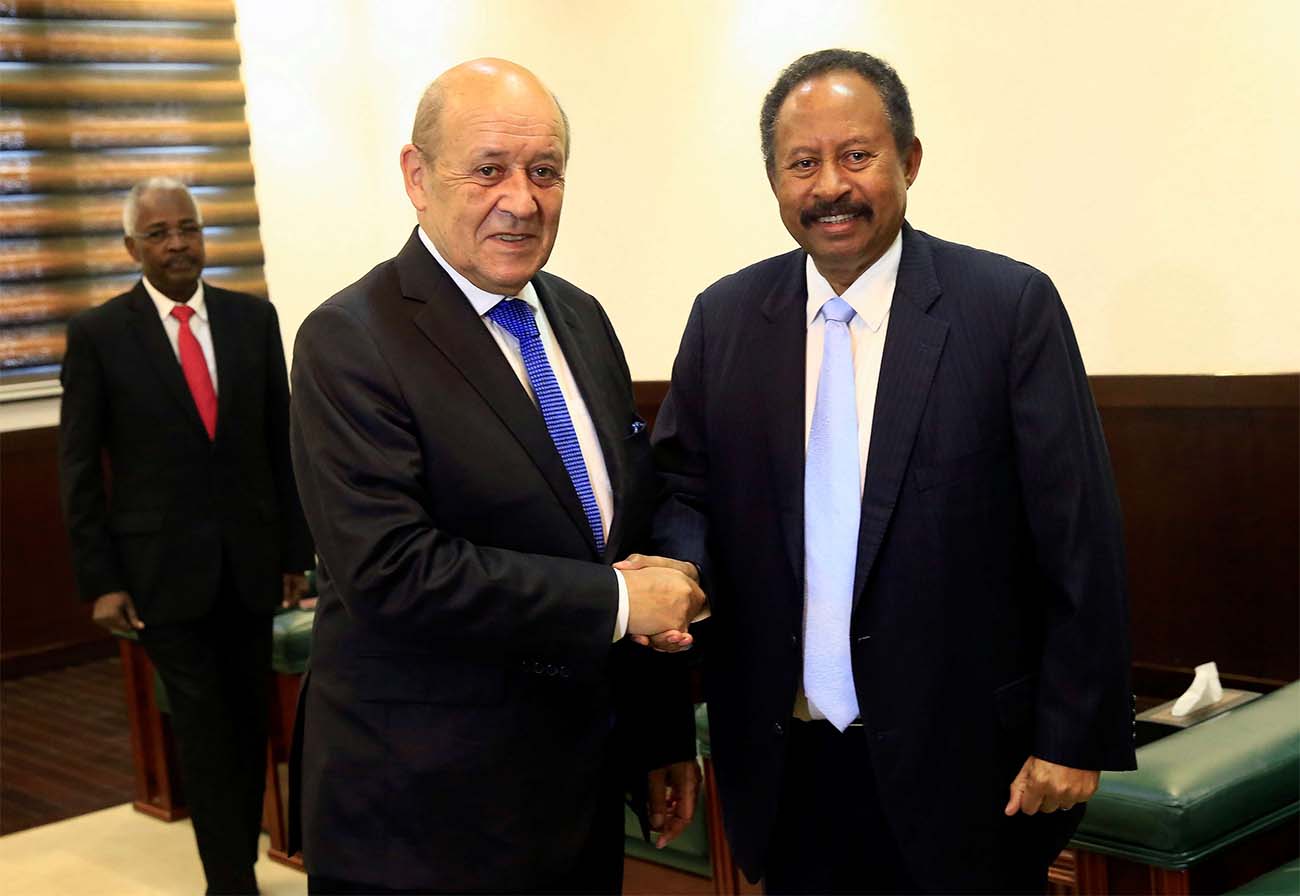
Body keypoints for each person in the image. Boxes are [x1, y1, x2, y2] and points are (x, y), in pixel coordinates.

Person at [646, 49, 1137, 894]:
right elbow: (686, 489)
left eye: (857, 155)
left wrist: (1074, 733)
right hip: (787, 762)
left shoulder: (1006, 309)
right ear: (774, 180)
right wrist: (678, 569)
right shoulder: (725, 318)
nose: (829, 184)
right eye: (803, 163)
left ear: (909, 160)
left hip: (973, 770)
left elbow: (1078, 533)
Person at [287, 58, 704, 895]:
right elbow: (393, 573)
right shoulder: (349, 340)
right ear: (416, 176)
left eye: (544, 171)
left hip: (576, 795)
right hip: (420, 818)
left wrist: (660, 736)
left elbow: (626, 529)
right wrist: (621, 607)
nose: (521, 199)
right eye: (488, 170)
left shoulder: (580, 317)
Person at [59, 178, 314, 895]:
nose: (177, 244)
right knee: (204, 730)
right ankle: (230, 881)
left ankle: (235, 870)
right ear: (132, 247)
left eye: (188, 229)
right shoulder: (99, 335)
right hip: (160, 574)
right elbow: (79, 467)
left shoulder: (251, 320)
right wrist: (100, 578)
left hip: (251, 565)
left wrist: (296, 554)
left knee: (245, 724)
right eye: (160, 233)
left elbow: (280, 442)